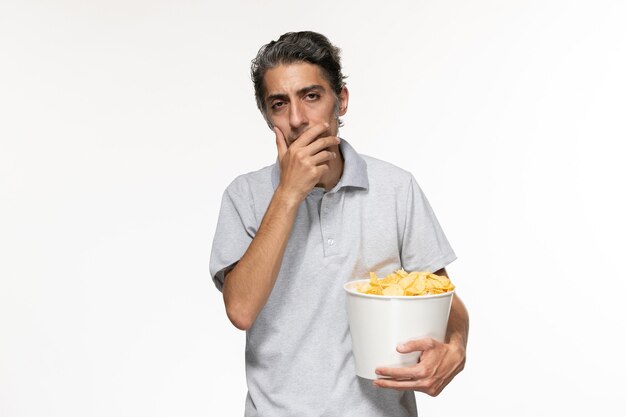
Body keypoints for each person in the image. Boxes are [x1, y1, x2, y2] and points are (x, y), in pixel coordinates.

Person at [209, 31, 469, 417]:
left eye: (311, 96)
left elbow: (445, 302)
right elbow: (241, 310)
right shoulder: (244, 196)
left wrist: (456, 349)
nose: (297, 119)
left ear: (341, 100)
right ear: (267, 117)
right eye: (279, 104)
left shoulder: (396, 188)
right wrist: (288, 193)